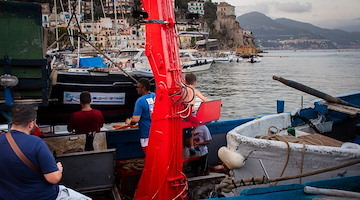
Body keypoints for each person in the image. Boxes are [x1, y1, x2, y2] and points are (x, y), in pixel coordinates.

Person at [0, 105, 91, 200]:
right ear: (31, 124)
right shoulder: (36, 143)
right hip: (42, 196)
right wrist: (58, 170)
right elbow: (53, 178)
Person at [126, 78, 155, 154]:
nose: (136, 89)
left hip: (146, 134)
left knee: (149, 156)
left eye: (138, 87)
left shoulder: (140, 101)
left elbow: (135, 120)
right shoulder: (154, 96)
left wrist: (129, 122)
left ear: (144, 88)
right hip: (156, 132)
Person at [184, 73, 210, 156]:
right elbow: (204, 99)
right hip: (192, 112)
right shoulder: (194, 91)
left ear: (185, 81)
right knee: (199, 122)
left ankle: (190, 145)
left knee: (187, 128)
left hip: (184, 113)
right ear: (195, 82)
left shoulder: (183, 90)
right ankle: (192, 134)